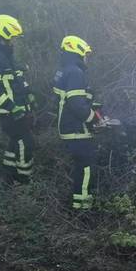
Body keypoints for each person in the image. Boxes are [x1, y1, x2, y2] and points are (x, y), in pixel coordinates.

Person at [0, 14, 35, 184]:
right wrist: (12, 107)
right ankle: (24, 180)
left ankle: (8, 175)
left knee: (15, 140)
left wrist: (28, 95)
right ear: (5, 35)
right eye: (13, 37)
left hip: (15, 106)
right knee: (25, 142)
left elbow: (14, 80)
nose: (15, 41)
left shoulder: (4, 53)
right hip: (7, 109)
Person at [52, 35, 100, 210]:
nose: (87, 59)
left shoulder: (64, 70)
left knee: (80, 167)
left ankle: (76, 204)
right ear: (78, 52)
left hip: (68, 127)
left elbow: (72, 99)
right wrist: (94, 119)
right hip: (77, 129)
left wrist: (93, 107)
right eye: (86, 54)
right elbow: (76, 104)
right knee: (86, 167)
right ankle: (83, 209)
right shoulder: (75, 72)